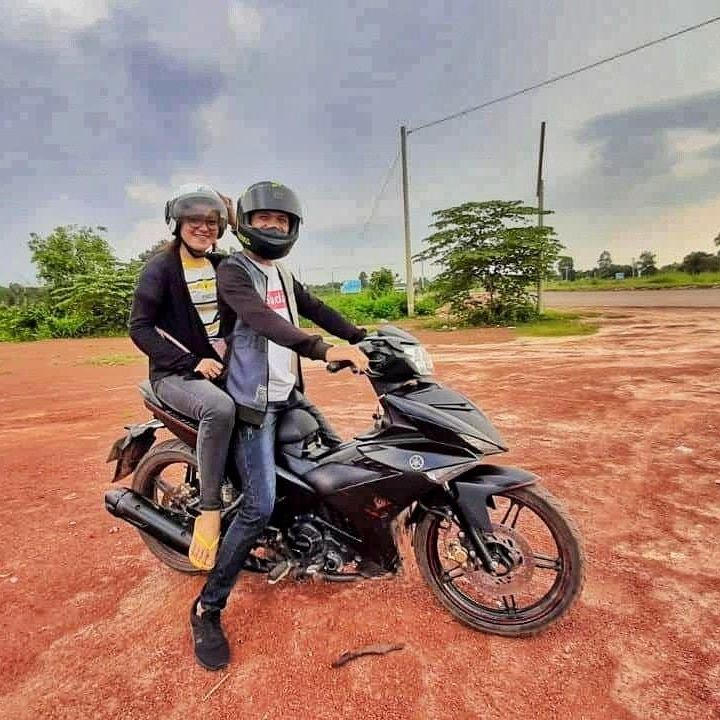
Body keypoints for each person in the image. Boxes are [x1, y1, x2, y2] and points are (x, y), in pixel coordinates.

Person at [189, 181, 369, 671]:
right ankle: (207, 608)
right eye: (264, 219)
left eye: (281, 220)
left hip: (288, 394)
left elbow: (316, 309)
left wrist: (363, 337)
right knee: (258, 505)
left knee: (340, 458)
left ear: (293, 228)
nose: (273, 226)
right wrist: (324, 349)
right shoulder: (233, 271)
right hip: (253, 405)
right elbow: (263, 321)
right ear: (247, 224)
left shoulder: (283, 273)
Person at [129, 184, 237, 573]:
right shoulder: (161, 268)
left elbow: (260, 272)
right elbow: (140, 328)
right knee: (219, 409)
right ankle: (209, 510)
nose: (203, 227)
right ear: (177, 223)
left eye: (212, 221)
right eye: (194, 220)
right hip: (174, 374)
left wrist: (236, 221)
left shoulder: (222, 265)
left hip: (219, 368)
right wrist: (192, 362)